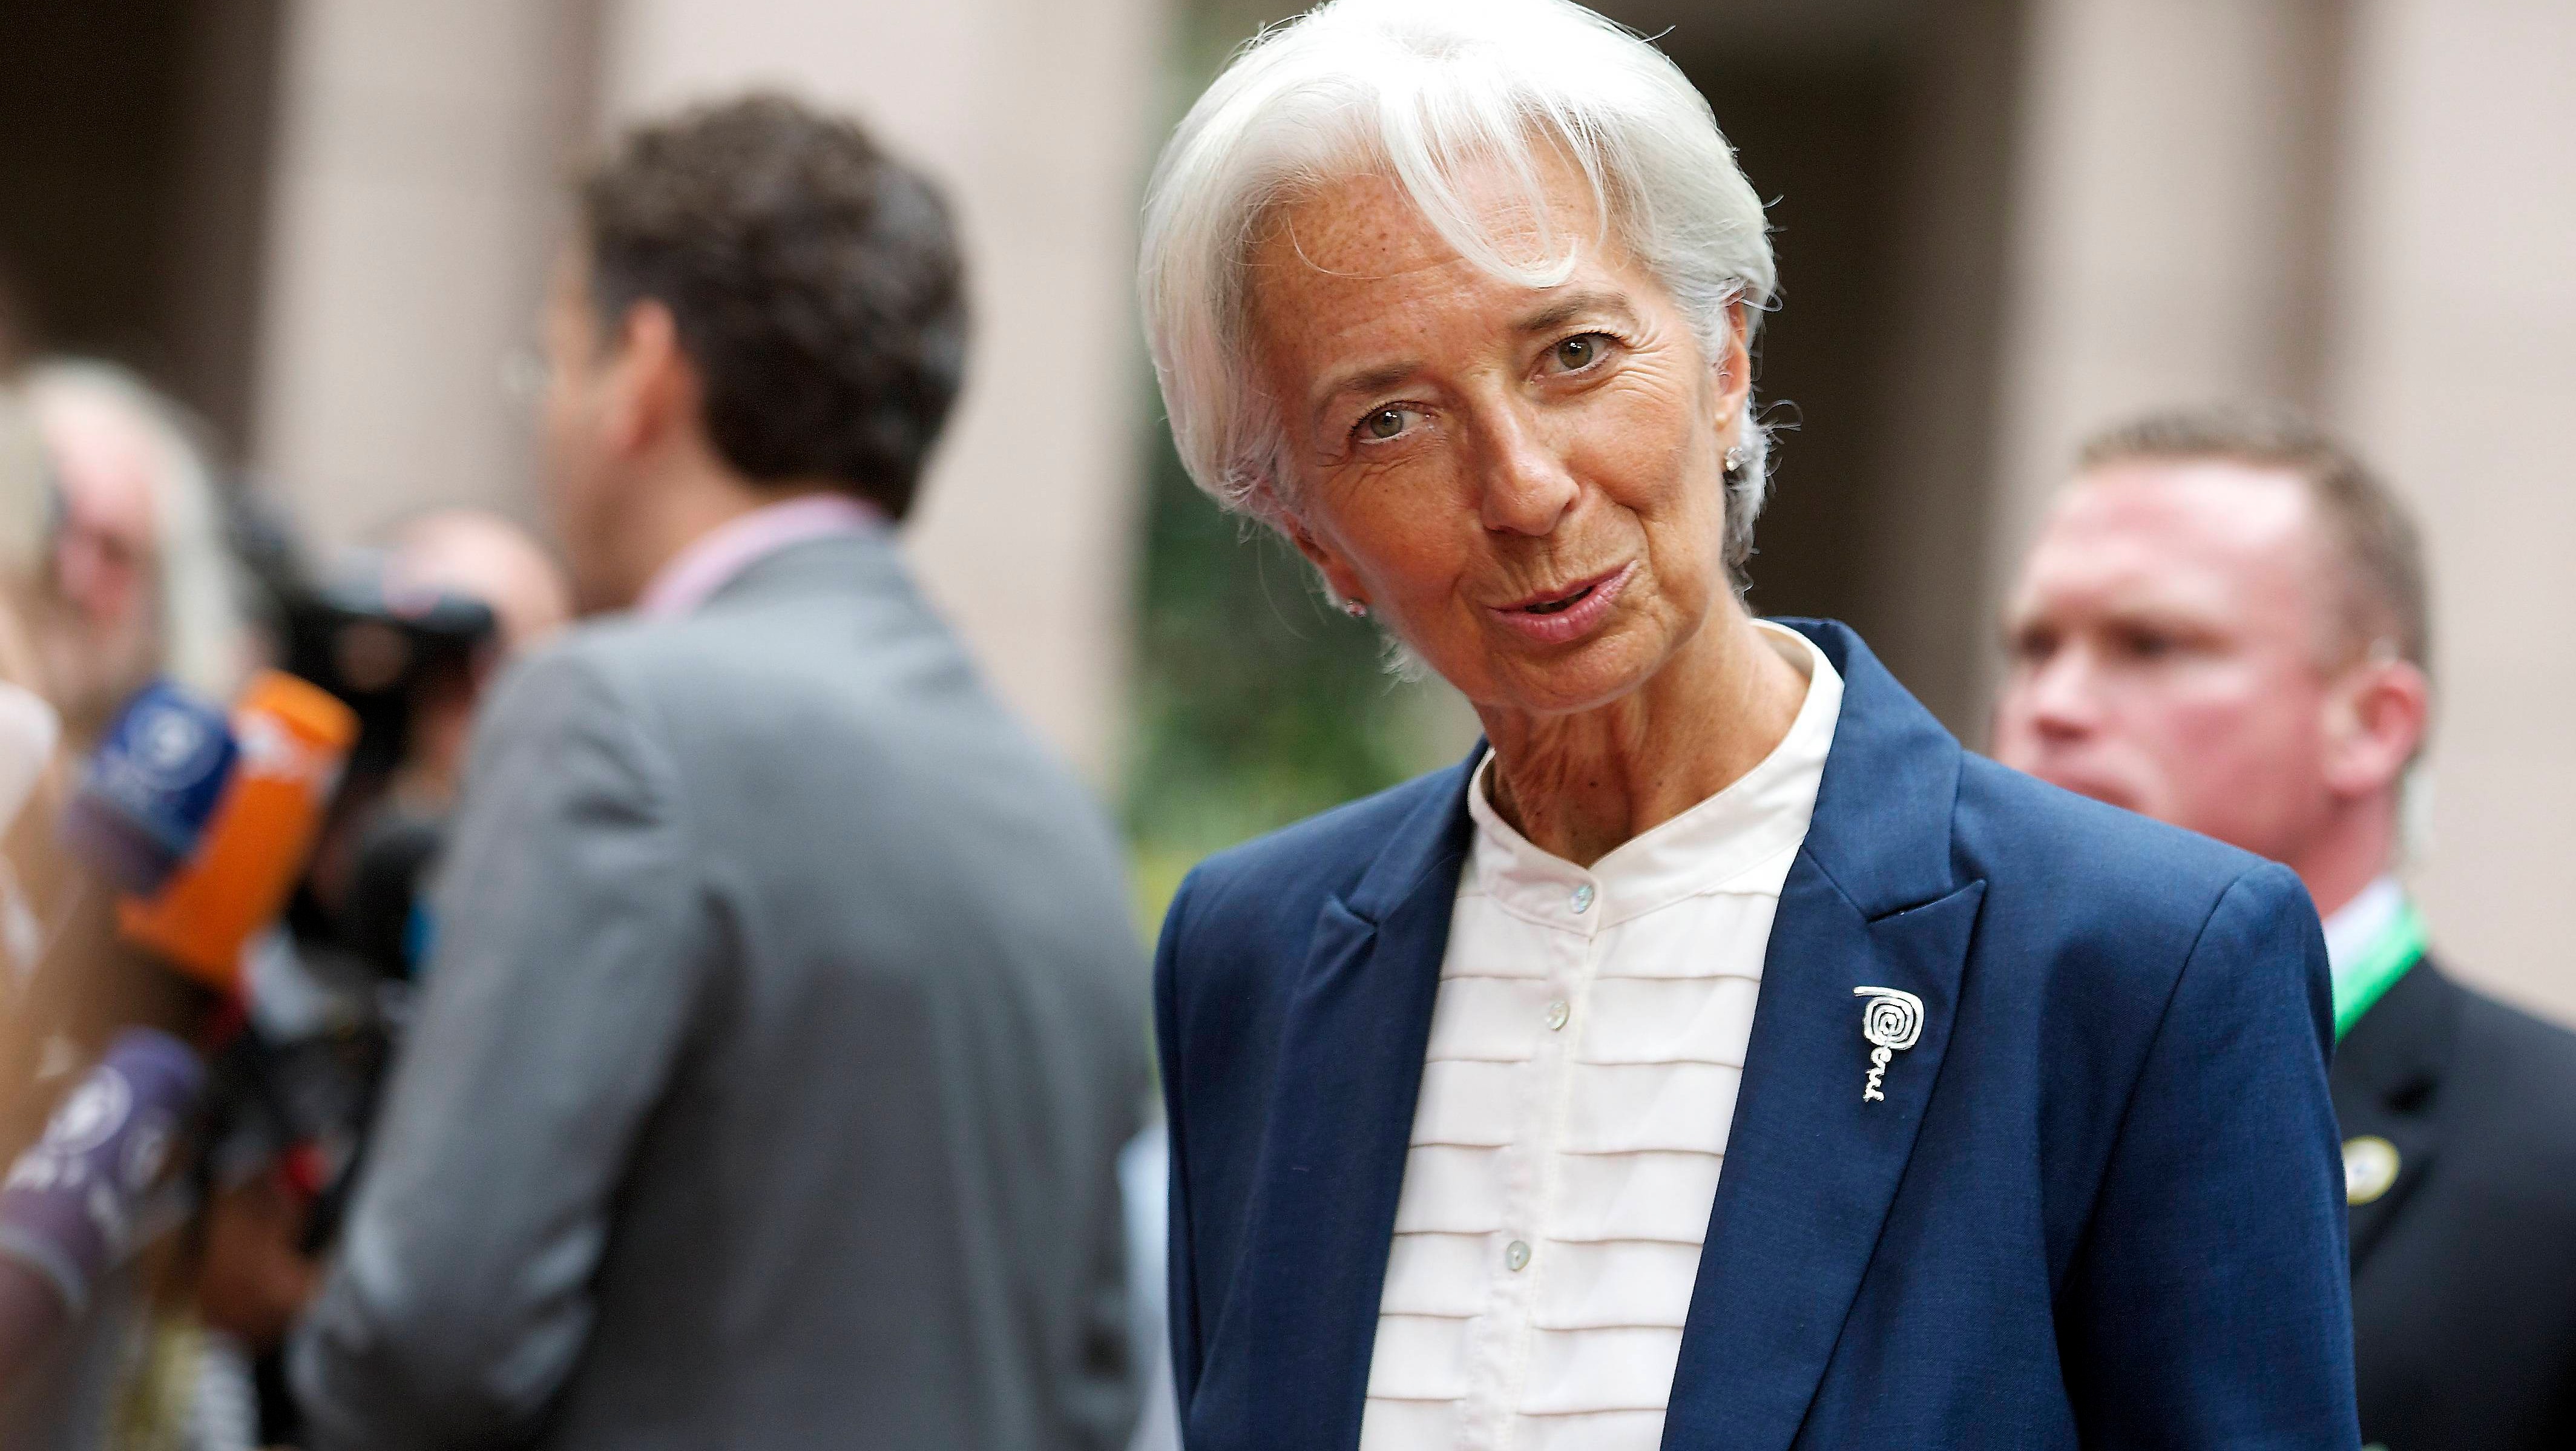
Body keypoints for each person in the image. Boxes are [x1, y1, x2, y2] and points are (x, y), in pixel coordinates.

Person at [1138, 2, 2356, 1447]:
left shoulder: (2138, 962)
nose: (1523, 487)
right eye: (1389, 421)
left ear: (1725, 360)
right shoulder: (1252, 954)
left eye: (1575, 351)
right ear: (1309, 534)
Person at [285, 96, 1149, 1449]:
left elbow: (429, 1336)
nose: (546, 415)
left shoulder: (607, 714)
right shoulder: (1058, 815)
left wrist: (284, 1326)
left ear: (641, 370)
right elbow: (1099, 1377)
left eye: (549, 360)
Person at [1994, 407, 2576, 1450]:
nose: (2055, 704)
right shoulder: (1909, 1081)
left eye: (2152, 643)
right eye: (2034, 647)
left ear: (2372, 725)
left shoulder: (2553, 1153)